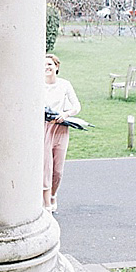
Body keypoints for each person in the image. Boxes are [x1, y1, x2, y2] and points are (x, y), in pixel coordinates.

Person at [43, 54, 80, 213]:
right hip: (44, 128)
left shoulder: (65, 85)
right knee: (45, 167)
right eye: (44, 65)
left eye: (50, 64)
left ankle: (53, 195)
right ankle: (46, 204)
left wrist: (66, 114)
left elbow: (76, 106)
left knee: (58, 169)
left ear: (56, 67)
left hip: (61, 129)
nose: (47, 67)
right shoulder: (37, 86)